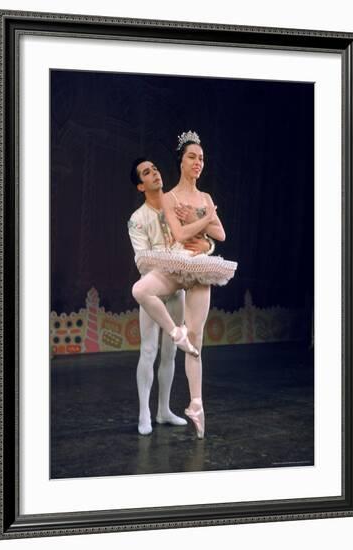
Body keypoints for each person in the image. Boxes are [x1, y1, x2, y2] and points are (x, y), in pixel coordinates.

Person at [132, 131, 237, 439]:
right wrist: (205, 220)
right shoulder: (169, 198)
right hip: (170, 267)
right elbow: (180, 235)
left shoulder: (204, 198)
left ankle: (196, 404)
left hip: (199, 270)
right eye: (192, 156)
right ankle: (145, 412)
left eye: (201, 158)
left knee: (196, 341)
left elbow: (221, 236)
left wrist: (203, 233)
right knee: (144, 304)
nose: (198, 162)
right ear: (180, 161)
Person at [128, 157, 214, 435]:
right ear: (141, 186)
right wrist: (170, 264)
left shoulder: (175, 204)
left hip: (177, 289)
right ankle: (144, 412)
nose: (154, 173)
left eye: (155, 168)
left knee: (170, 354)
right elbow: (141, 261)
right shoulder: (137, 219)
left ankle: (163, 410)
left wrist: (207, 245)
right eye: (147, 172)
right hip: (153, 286)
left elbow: (197, 237)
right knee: (149, 350)